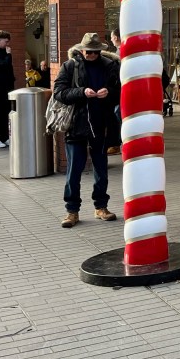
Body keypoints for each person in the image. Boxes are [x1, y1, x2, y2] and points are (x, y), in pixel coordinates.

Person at [54, 32, 122, 228]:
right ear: (81, 49)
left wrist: (109, 93)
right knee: (74, 170)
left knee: (101, 169)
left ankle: (101, 206)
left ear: (100, 51)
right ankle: (71, 211)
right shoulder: (70, 66)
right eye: (87, 51)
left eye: (94, 52)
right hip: (76, 125)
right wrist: (81, 92)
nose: (90, 55)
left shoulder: (110, 66)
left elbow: (121, 91)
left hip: (101, 124)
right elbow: (59, 92)